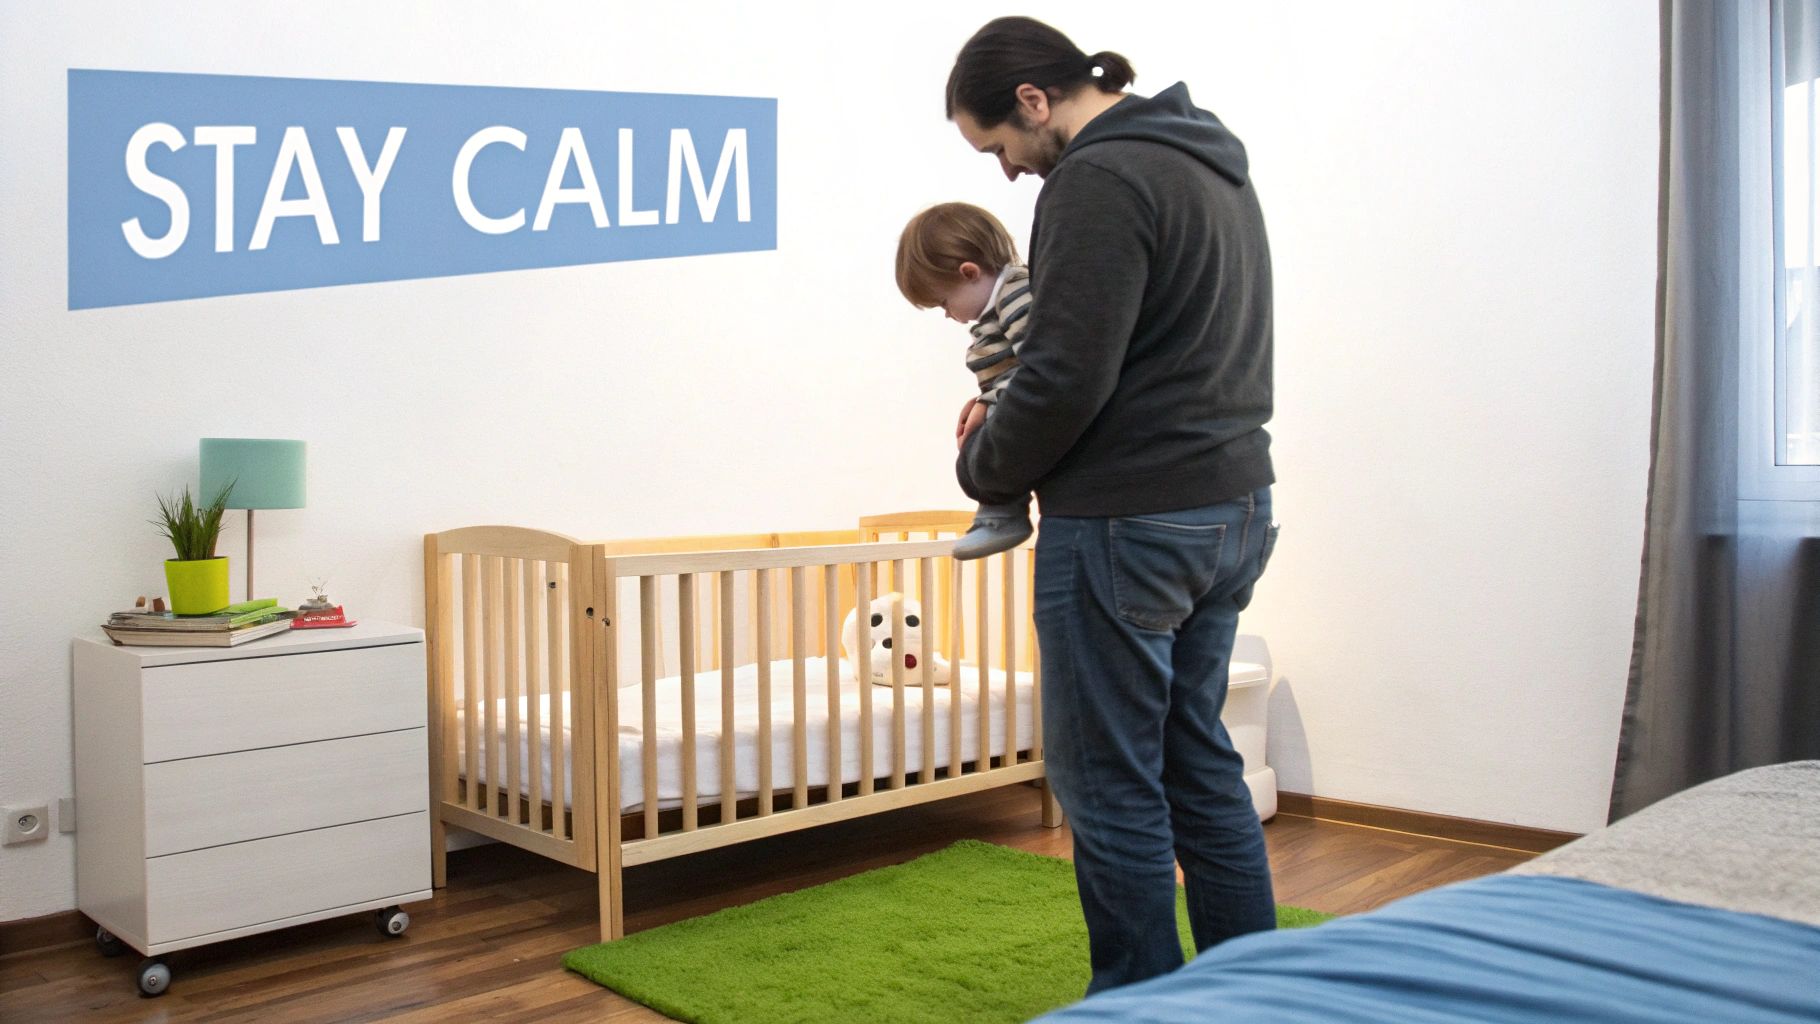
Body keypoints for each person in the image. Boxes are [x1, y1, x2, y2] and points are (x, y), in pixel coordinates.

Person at [945, 16, 1281, 994]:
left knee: (1105, 779)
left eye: (997, 146)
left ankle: (1134, 999)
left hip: (1128, 517)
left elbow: (1061, 378)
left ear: (1034, 102)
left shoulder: (1095, 179)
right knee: (1195, 757)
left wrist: (985, 469)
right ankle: (1247, 989)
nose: (1005, 173)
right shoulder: (1207, 161)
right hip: (1231, 501)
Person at [894, 201, 1036, 560]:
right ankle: (1000, 509)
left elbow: (1040, 366)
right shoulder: (1000, 305)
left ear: (970, 272)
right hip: (1008, 407)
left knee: (976, 459)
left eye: (944, 302)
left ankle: (1004, 512)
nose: (947, 315)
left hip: (1023, 410)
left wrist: (992, 402)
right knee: (972, 459)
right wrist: (986, 401)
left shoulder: (1015, 296)